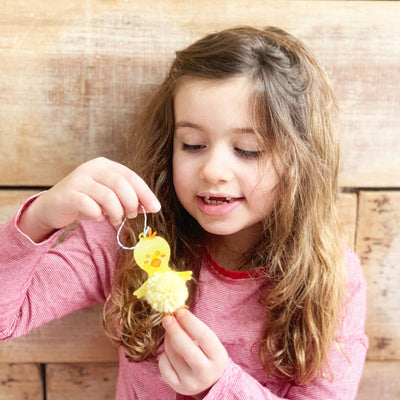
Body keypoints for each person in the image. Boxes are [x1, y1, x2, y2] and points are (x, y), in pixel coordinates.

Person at [0, 26, 368, 399]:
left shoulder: (334, 279)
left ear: (298, 161)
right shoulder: (129, 238)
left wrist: (219, 386)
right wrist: (41, 217)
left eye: (248, 149)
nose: (213, 170)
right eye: (192, 144)